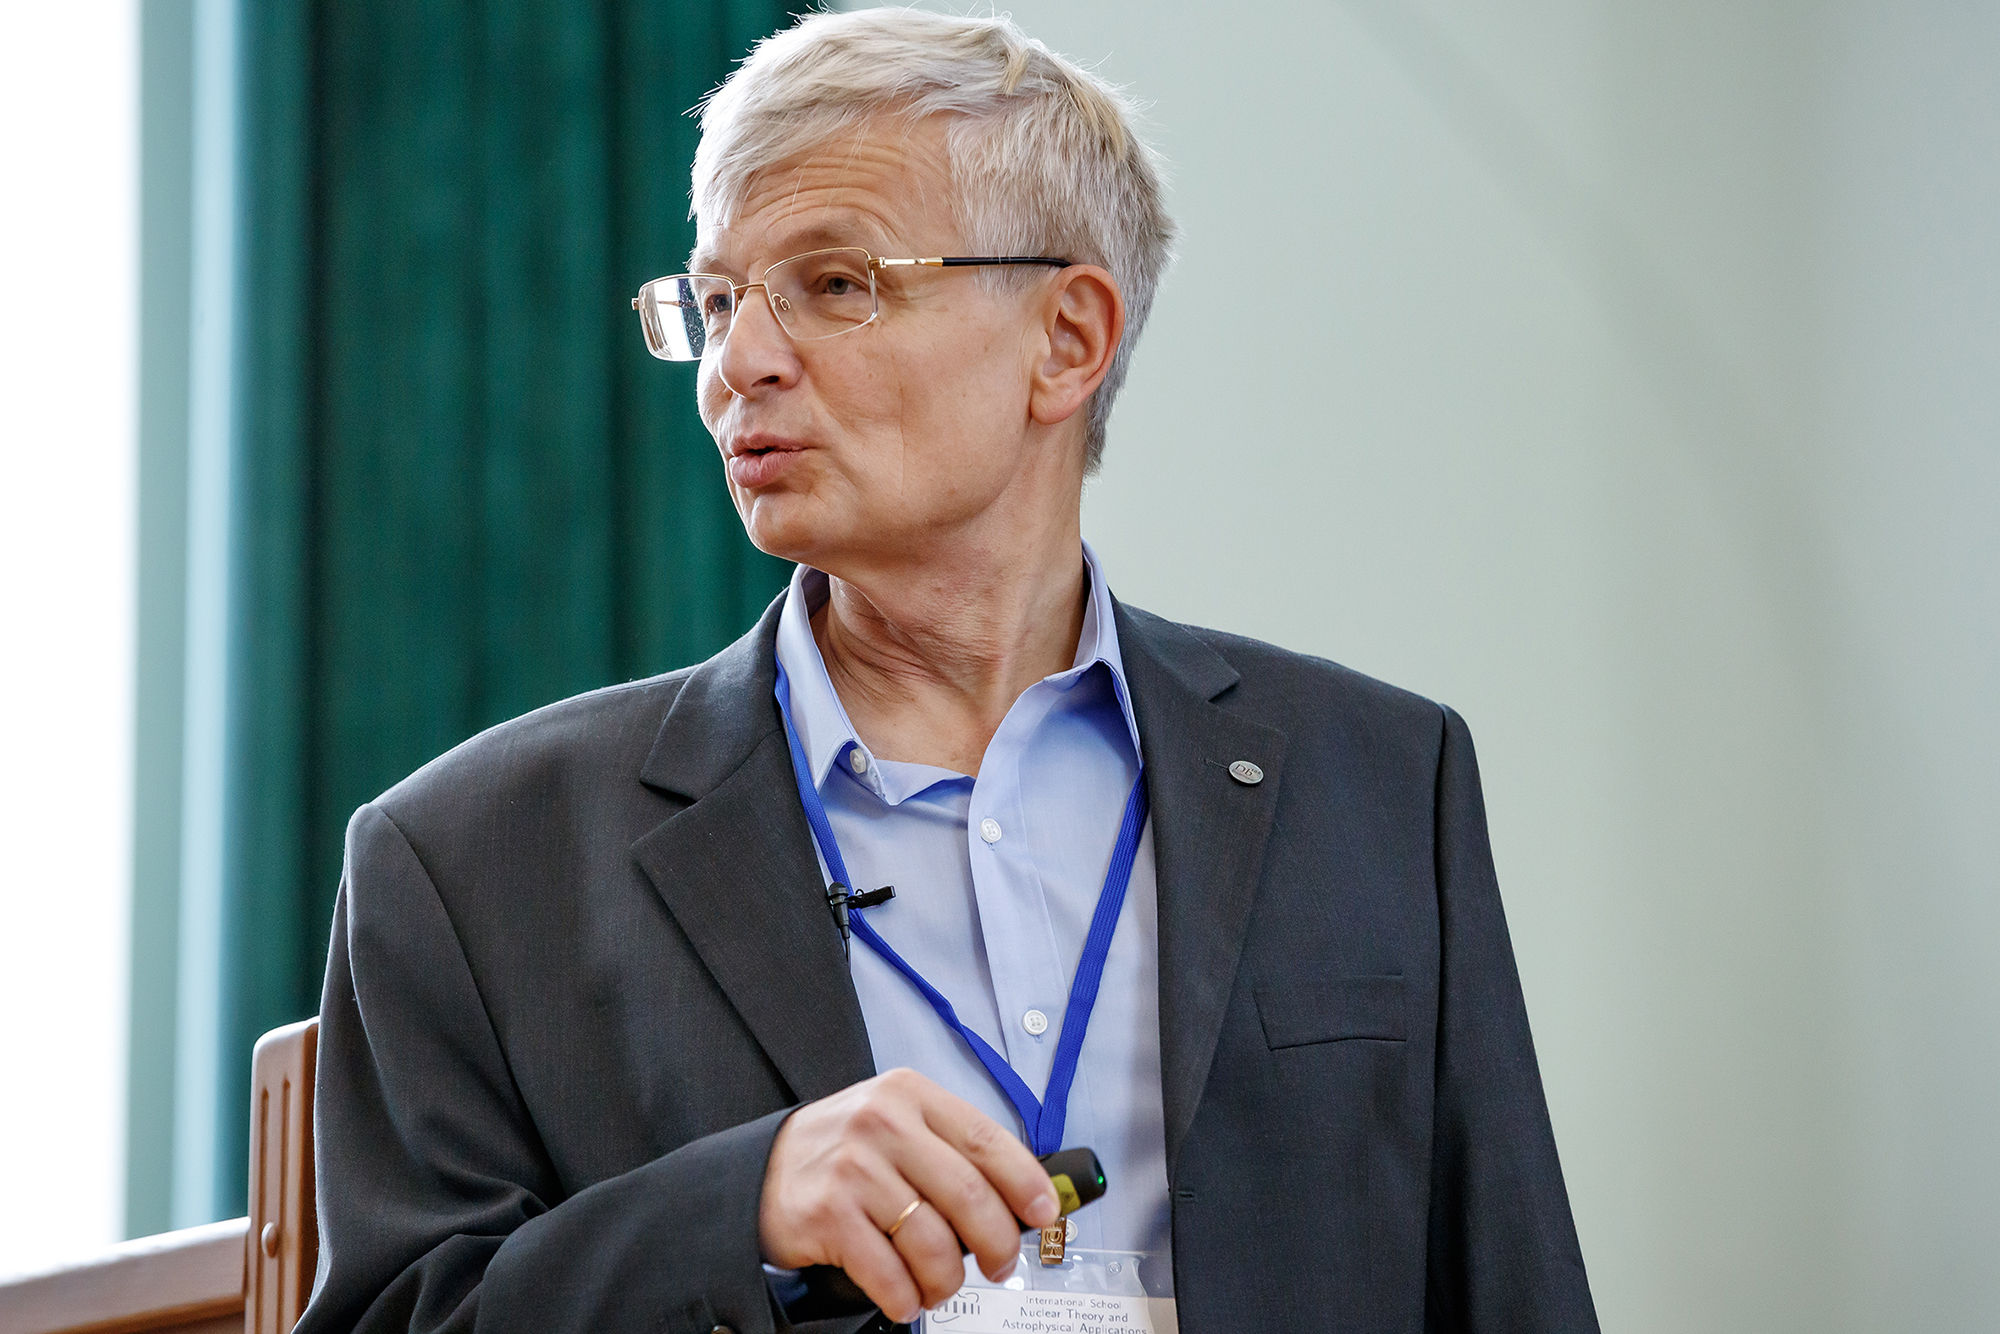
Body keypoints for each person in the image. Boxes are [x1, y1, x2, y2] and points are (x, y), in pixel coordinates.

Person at [297, 9, 1599, 1334]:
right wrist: (739, 1208)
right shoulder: (472, 860)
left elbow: (1511, 1289)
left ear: (1067, 340)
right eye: (720, 301)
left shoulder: (1378, 780)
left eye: (834, 283)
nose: (740, 364)